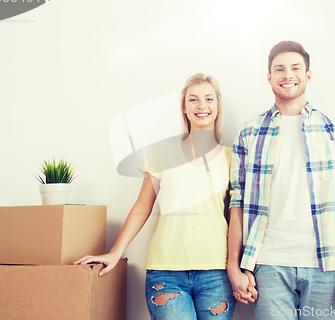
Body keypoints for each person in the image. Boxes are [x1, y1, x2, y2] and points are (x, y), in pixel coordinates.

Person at [75, 73, 237, 320]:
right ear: (184, 107)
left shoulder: (232, 158)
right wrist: (114, 252)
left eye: (208, 99)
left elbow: (240, 215)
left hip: (217, 272)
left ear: (217, 106)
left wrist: (242, 267)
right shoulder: (162, 152)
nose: (202, 106)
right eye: (193, 100)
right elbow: (142, 206)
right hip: (165, 272)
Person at [226, 41, 335, 319]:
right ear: (269, 78)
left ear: (308, 75)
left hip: (326, 266)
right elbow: (237, 204)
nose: (287, 74)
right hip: (267, 265)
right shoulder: (249, 133)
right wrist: (233, 265)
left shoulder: (334, 130)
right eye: (279, 69)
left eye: (295, 68)